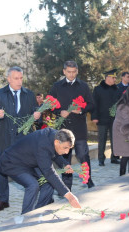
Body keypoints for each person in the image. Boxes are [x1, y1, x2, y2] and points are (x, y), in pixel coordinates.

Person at [0, 66, 41, 212]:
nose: (19, 81)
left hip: (24, 141)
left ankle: (38, 193)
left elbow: (36, 115)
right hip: (4, 138)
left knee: (31, 167)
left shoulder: (29, 94)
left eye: (21, 78)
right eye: (16, 78)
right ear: (9, 79)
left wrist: (37, 116)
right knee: (2, 170)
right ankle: (3, 200)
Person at [0, 128, 81, 214]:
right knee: (33, 185)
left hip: (29, 161)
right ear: (57, 142)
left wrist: (64, 164)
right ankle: (26, 216)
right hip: (11, 162)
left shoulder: (56, 136)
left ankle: (39, 212)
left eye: (69, 148)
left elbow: (54, 151)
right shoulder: (43, 145)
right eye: (65, 148)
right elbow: (49, 172)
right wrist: (69, 195)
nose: (67, 152)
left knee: (49, 184)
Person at [49, 61, 95, 189]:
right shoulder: (57, 86)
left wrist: (80, 110)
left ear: (77, 71)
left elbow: (91, 104)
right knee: (65, 158)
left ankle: (88, 180)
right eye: (69, 72)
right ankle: (66, 186)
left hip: (79, 128)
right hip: (63, 129)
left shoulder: (83, 86)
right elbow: (50, 104)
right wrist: (59, 111)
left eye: (74, 72)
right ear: (64, 71)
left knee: (83, 155)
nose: (71, 74)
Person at [91, 69, 121, 166]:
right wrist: (94, 117)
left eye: (115, 77)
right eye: (113, 77)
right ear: (107, 78)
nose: (115, 79)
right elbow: (94, 104)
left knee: (115, 139)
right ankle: (101, 159)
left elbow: (120, 104)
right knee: (102, 139)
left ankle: (114, 157)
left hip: (114, 119)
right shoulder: (98, 89)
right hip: (102, 118)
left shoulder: (116, 89)